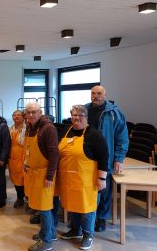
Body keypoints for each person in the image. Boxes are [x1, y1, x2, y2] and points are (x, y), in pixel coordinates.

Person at [59, 105, 108, 250]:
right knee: (73, 206)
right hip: (69, 180)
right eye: (74, 115)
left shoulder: (94, 135)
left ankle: (88, 235)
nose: (76, 118)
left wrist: (102, 178)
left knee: (87, 209)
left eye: (80, 115)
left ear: (86, 117)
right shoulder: (66, 131)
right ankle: (75, 230)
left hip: (87, 181)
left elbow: (104, 157)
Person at [85, 85, 129, 232]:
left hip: (106, 157)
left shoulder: (114, 113)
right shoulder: (84, 110)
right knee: (87, 188)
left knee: (103, 190)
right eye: (93, 93)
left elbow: (122, 137)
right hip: (86, 157)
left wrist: (119, 158)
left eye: (99, 93)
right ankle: (87, 215)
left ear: (105, 95)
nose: (95, 96)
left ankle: (102, 218)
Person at [24, 103, 58, 251]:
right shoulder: (31, 127)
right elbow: (29, 148)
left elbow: (54, 154)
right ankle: (50, 232)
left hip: (45, 173)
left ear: (40, 112)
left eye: (34, 112)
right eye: (28, 112)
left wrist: (50, 176)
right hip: (33, 172)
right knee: (41, 207)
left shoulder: (48, 128)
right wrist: (26, 162)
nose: (31, 115)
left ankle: (46, 242)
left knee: (44, 208)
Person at [8, 110, 27, 208]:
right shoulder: (10, 129)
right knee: (15, 180)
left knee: (25, 180)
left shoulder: (27, 129)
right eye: (14, 115)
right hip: (13, 158)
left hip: (24, 158)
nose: (16, 117)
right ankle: (19, 198)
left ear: (23, 117)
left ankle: (28, 199)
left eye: (18, 115)